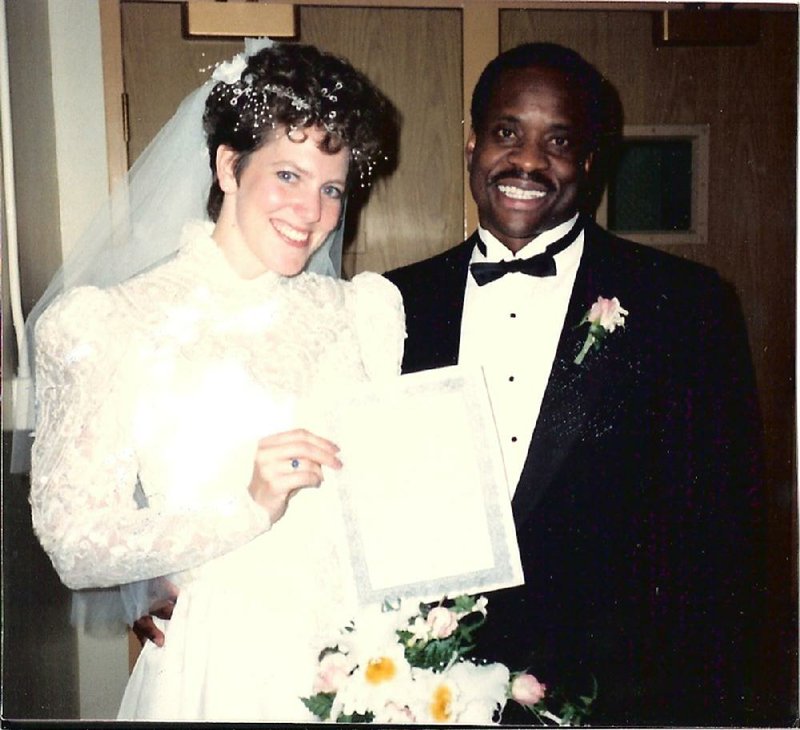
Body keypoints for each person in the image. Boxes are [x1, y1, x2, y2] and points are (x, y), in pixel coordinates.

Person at [384, 42, 765, 726]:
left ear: (590, 162)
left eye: (558, 141)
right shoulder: (391, 305)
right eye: (506, 134)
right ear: (470, 144)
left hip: (619, 694)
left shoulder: (685, 305)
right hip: (427, 692)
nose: (528, 162)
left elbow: (724, 538)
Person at [29, 41, 404, 721]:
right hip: (220, 669)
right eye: (287, 176)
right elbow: (75, 543)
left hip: (361, 660)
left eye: (330, 188)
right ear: (229, 166)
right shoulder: (111, 323)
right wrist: (248, 508)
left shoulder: (361, 313)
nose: (312, 211)